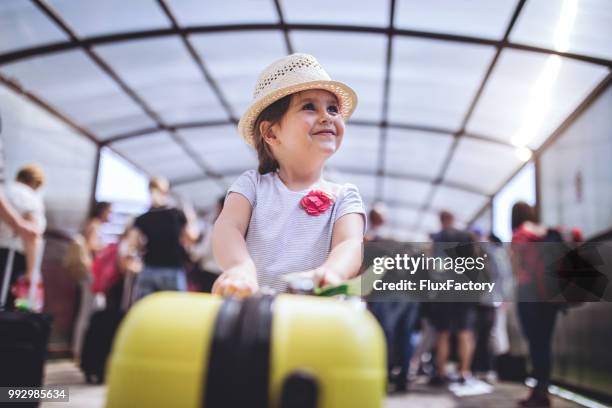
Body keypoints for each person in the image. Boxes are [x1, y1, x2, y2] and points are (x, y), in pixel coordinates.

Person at [212, 53, 365, 296]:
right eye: (309, 107)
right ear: (271, 133)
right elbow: (228, 226)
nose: (327, 116)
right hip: (255, 312)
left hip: (312, 317)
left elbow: (350, 244)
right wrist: (239, 267)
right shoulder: (252, 185)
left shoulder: (344, 196)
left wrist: (333, 271)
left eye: (333, 108)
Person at [511, 201, 560, 407]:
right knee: (545, 343)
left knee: (535, 343)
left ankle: (537, 393)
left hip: (529, 294)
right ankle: (543, 391)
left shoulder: (521, 234)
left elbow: (515, 267)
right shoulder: (545, 231)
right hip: (550, 295)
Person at [129, 177, 198, 302]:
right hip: (173, 270)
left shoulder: (142, 218)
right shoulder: (177, 214)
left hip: (149, 268)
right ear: (166, 191)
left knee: (145, 312)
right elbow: (192, 237)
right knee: (173, 314)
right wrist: (190, 217)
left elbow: (133, 244)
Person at [428, 210, 476, 385]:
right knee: (465, 332)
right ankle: (464, 372)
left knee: (443, 333)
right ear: (453, 218)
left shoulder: (439, 237)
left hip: (444, 289)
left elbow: (436, 264)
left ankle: (440, 373)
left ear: (441, 220)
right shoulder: (466, 236)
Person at [0, 164, 46, 309]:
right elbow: (31, 235)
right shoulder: (30, 198)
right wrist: (31, 272)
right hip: (14, 259)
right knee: (13, 308)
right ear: (36, 183)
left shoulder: (4, 189)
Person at [72, 201, 112, 361]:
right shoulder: (95, 225)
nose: (110, 215)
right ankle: (79, 351)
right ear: (102, 211)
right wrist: (108, 248)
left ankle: (80, 350)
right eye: (109, 211)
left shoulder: (92, 224)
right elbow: (91, 246)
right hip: (91, 272)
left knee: (89, 310)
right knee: (88, 311)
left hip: (90, 272)